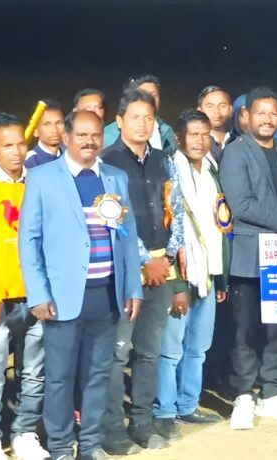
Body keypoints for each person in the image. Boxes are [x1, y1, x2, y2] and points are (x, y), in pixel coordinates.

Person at [19, 110, 143, 460]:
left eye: (95, 135)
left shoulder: (115, 178)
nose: (90, 141)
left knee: (98, 375)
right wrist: (38, 293)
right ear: (67, 138)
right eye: (82, 135)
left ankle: (90, 444)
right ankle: (60, 446)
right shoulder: (42, 177)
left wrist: (132, 287)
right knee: (59, 377)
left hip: (107, 294)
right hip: (62, 298)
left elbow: (127, 236)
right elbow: (29, 239)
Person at [219, 86, 277, 430]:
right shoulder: (235, 152)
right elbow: (241, 205)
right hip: (248, 256)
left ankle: (271, 393)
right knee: (245, 331)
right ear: (246, 116)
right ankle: (244, 396)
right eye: (261, 112)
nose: (268, 119)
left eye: (274, 113)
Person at [100, 88, 186, 453]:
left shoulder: (164, 160)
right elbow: (112, 217)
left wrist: (167, 257)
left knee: (150, 351)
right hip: (124, 271)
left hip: (161, 269)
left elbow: (177, 210)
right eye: (135, 117)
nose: (142, 124)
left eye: (149, 118)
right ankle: (111, 430)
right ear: (119, 121)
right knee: (117, 354)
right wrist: (143, 259)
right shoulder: (106, 161)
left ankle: (142, 422)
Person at [0, 113, 50, 460]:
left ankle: (25, 434)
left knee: (34, 374)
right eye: (7, 145)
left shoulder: (38, 180)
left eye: (21, 144)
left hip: (36, 298)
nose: (16, 152)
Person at [152, 109, 230, 439]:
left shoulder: (211, 171)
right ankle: (164, 410)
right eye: (193, 134)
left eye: (205, 134)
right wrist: (176, 283)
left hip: (208, 272)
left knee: (198, 346)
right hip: (181, 272)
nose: (200, 141)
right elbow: (168, 229)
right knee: (171, 348)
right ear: (179, 137)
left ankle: (188, 403)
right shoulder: (170, 171)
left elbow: (219, 225)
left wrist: (221, 276)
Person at [104, 75, 177, 152]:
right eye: (143, 95)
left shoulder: (167, 131)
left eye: (153, 95)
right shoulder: (107, 136)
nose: (149, 100)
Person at [25, 99, 66, 168]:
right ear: (35, 131)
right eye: (47, 124)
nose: (54, 130)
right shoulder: (27, 162)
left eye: (58, 123)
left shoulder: (71, 159)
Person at [196, 85, 234, 161]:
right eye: (210, 106)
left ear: (231, 110)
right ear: (199, 111)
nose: (216, 111)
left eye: (222, 106)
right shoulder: (194, 144)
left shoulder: (241, 142)